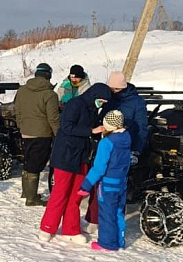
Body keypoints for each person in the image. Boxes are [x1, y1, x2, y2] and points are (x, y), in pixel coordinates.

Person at [39, 83, 112, 243]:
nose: (102, 104)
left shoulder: (92, 109)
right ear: (94, 96)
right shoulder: (75, 104)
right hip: (65, 156)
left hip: (81, 157)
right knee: (60, 193)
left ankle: (71, 229)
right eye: (101, 101)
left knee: (76, 194)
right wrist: (90, 131)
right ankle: (47, 227)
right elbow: (66, 127)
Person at [84, 71, 150, 230]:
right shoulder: (109, 98)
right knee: (99, 179)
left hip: (124, 146)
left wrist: (136, 151)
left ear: (123, 87)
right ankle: (94, 219)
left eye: (116, 89)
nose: (112, 91)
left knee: (116, 186)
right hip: (105, 141)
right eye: (111, 88)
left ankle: (113, 223)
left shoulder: (136, 102)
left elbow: (141, 127)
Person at [77, 110, 132, 252]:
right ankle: (120, 240)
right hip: (121, 182)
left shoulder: (106, 142)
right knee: (119, 212)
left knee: (107, 214)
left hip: (108, 184)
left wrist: (86, 185)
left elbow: (99, 167)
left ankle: (107, 244)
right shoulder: (126, 137)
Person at [14, 62, 60, 206]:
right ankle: (32, 198)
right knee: (36, 164)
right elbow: (53, 117)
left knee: (28, 160)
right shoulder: (50, 94)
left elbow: (17, 111)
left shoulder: (22, 90)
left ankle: (26, 192)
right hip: (42, 133)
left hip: (26, 131)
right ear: (48, 75)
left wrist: (22, 126)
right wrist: (58, 134)